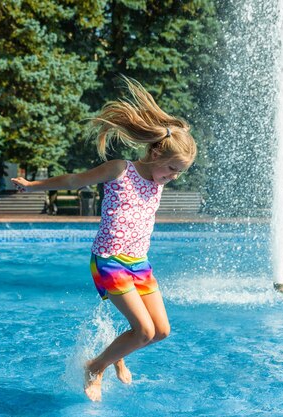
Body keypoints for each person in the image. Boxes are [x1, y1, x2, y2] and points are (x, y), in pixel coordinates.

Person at [11, 77, 197, 402]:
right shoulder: (119, 169)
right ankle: (95, 367)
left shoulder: (159, 181)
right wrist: (31, 185)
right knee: (144, 331)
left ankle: (115, 355)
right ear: (154, 153)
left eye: (178, 172)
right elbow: (73, 180)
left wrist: (169, 169)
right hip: (109, 261)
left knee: (161, 331)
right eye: (171, 168)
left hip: (139, 263)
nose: (173, 177)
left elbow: (162, 178)